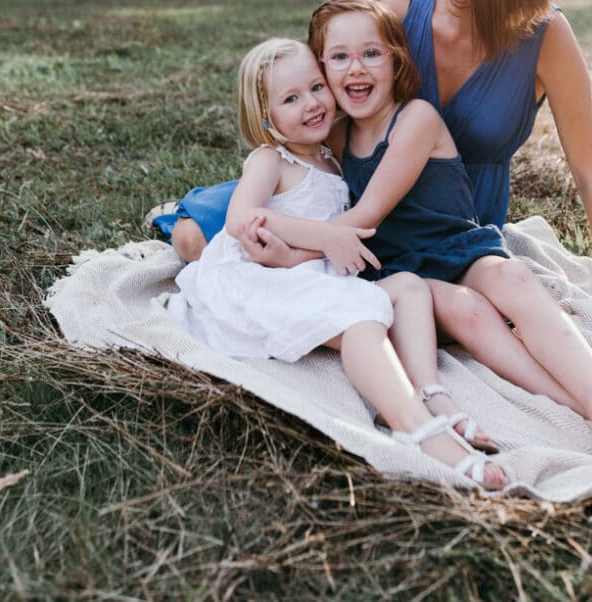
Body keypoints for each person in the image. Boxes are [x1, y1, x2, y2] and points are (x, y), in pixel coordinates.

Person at [153, 0, 592, 316]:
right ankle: (192, 208)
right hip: (352, 191)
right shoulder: (404, 7)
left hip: (446, 217)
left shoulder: (547, 38)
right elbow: (333, 94)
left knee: (451, 309)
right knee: (193, 238)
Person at [244, 0, 592, 460]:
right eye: (339, 58)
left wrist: (293, 247)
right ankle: (591, 412)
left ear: (395, 60)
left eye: (371, 54)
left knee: (511, 276)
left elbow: (366, 215)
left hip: (457, 247)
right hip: (399, 270)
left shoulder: (415, 118)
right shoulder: (333, 135)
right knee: (469, 312)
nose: (356, 68)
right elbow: (281, 172)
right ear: (322, 68)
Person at [166, 37, 506, 488]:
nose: (311, 104)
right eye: (291, 99)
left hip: (316, 275)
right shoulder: (270, 159)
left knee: (407, 287)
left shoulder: (331, 154)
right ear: (265, 118)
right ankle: (415, 427)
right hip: (261, 281)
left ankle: (429, 391)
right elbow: (241, 219)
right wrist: (327, 237)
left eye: (315, 88)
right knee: (362, 318)